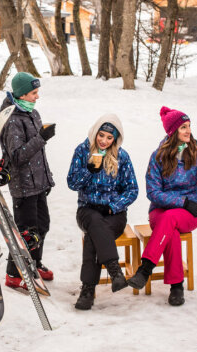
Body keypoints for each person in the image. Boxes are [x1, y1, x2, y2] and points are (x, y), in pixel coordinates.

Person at [126, 107, 197, 306]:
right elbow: (153, 193)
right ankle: (177, 286)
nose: (188, 131)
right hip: (162, 211)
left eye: (189, 126)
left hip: (190, 213)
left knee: (171, 221)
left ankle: (146, 269)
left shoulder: (196, 153)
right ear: (172, 131)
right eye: (183, 127)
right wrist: (182, 202)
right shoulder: (158, 156)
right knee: (170, 228)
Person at [67, 114, 138, 310]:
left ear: (115, 139)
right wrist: (88, 170)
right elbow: (72, 183)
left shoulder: (122, 156)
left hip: (113, 213)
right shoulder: (82, 151)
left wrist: (114, 206)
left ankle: (87, 290)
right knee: (94, 223)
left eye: (109, 137)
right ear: (95, 132)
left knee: (94, 234)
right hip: (87, 210)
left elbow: (132, 190)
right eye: (102, 135)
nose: (104, 141)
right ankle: (115, 271)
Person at [0, 72, 56, 289]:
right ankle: (14, 274)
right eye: (34, 93)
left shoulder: (33, 113)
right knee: (26, 232)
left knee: (42, 225)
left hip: (38, 183)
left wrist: (47, 179)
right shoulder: (12, 119)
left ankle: (34, 263)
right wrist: (41, 137)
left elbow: (39, 155)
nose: (37, 96)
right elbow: (17, 157)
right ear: (22, 93)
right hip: (23, 186)